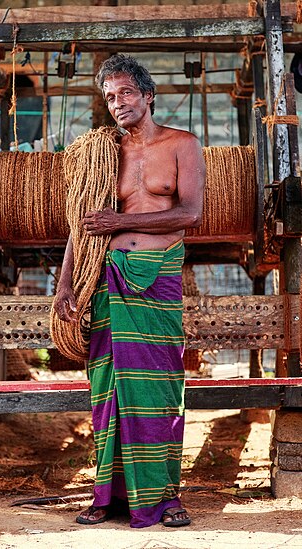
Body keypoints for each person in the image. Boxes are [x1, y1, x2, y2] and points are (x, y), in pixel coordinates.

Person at [54, 54, 205, 528]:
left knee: (159, 389)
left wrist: (122, 220)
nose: (118, 103)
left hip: (155, 276)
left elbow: (189, 214)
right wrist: (64, 286)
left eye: (126, 93)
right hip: (106, 276)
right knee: (108, 389)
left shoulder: (183, 145)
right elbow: (82, 223)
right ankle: (108, 499)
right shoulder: (101, 153)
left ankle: (165, 497)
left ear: (148, 95)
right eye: (110, 97)